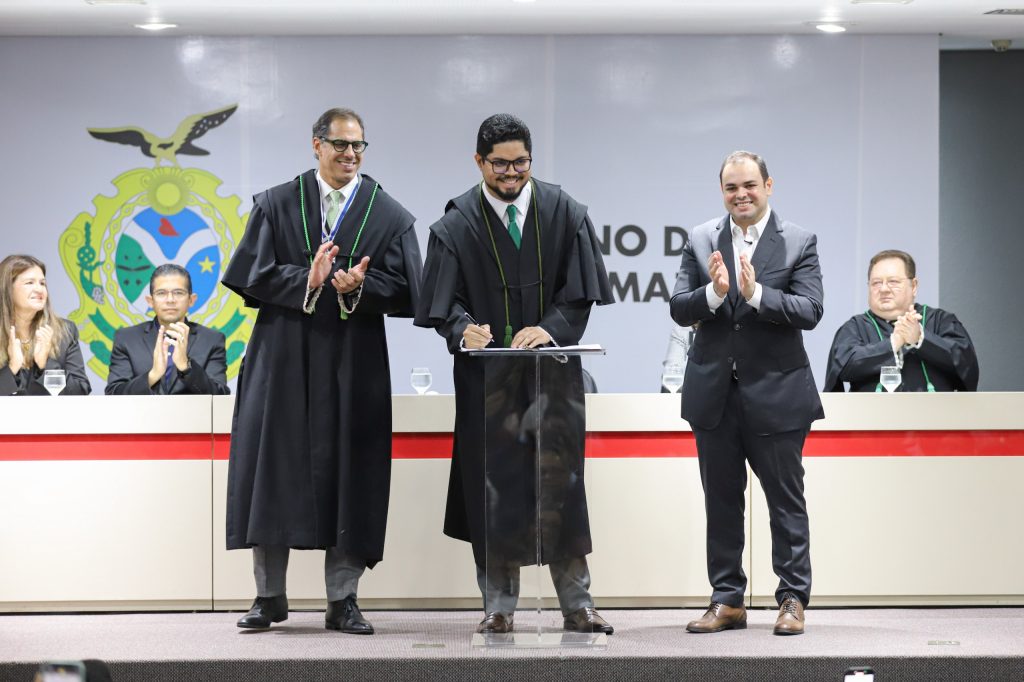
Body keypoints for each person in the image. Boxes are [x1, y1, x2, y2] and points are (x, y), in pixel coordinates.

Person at [221, 107, 422, 634]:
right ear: (316, 145)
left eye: (358, 146)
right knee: (272, 467)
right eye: (339, 145)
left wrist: (361, 287)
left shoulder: (387, 214)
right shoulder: (276, 204)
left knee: (353, 472)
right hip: (282, 353)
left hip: (355, 359)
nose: (350, 154)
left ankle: (343, 599)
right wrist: (305, 281)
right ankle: (269, 596)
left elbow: (409, 289)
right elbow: (249, 274)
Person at [415, 113, 615, 636]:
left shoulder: (564, 212)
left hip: (553, 376)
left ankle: (578, 604)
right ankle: (498, 607)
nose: (511, 173)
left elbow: (580, 293)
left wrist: (549, 328)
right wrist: (462, 329)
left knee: (561, 487)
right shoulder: (457, 223)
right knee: (494, 491)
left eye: (520, 162)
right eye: (499, 164)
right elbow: (443, 304)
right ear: (479, 162)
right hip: (487, 380)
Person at [669, 151, 824, 636]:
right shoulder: (700, 239)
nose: (741, 195)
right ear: (722, 192)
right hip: (714, 394)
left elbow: (811, 309)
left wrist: (756, 295)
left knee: (785, 502)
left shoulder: (798, 240)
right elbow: (679, 306)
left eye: (750, 185)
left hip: (778, 394)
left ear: (768, 186)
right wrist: (714, 293)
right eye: (732, 187)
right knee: (721, 502)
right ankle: (727, 599)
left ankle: (792, 599)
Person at [824, 249, 979, 392]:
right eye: (876, 283)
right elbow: (842, 367)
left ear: (914, 286)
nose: (884, 289)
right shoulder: (855, 327)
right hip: (871, 413)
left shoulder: (940, 321)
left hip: (935, 412)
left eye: (893, 282)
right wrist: (893, 343)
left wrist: (921, 339)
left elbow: (966, 364)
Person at [105, 264, 229, 395]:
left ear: (191, 300)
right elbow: (114, 393)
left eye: (178, 293)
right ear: (150, 301)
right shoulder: (127, 339)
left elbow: (220, 394)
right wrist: (153, 375)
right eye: (161, 293)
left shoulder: (212, 340)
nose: (170, 300)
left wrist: (186, 367)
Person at [0, 254, 91, 396]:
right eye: (29, 283)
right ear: (7, 289)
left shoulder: (64, 332)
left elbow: (80, 392)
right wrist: (12, 368)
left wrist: (46, 364)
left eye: (42, 283)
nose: (39, 289)